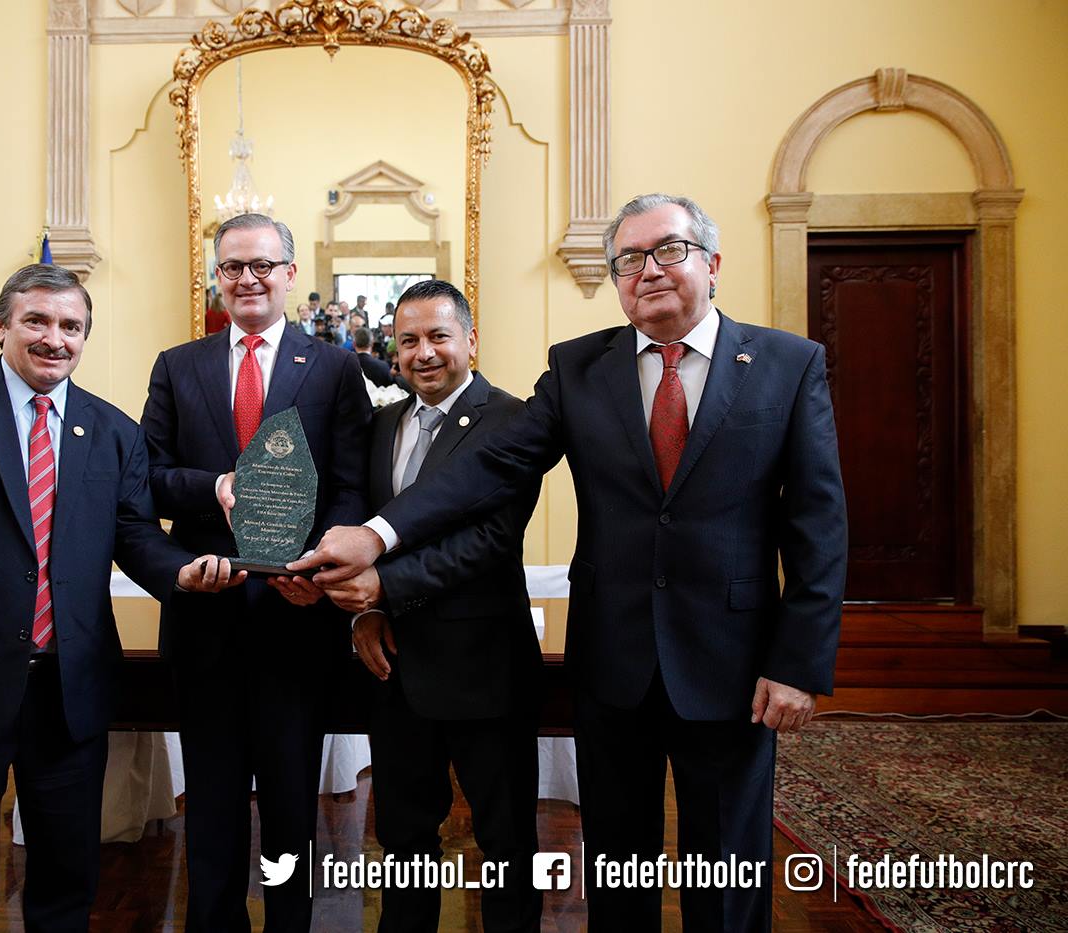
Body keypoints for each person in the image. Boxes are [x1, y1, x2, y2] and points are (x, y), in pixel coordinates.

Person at [293, 193, 848, 932]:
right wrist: (380, 533)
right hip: (613, 659)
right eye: (628, 259)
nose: (648, 270)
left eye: (669, 251)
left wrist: (800, 661)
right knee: (618, 862)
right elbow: (491, 466)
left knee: (727, 862)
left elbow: (818, 523)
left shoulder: (788, 363)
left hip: (732, 661)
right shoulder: (581, 367)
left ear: (712, 263)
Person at [0, 264, 242, 931]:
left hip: (70, 695)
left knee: (67, 880)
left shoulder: (114, 431)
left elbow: (133, 534)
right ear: (2, 324)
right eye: (37, 320)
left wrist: (180, 573)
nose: (54, 338)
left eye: (71, 326)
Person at [141, 213, 372, 932]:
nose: (248, 278)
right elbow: (145, 477)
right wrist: (213, 486)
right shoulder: (177, 365)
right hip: (205, 615)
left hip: (296, 615)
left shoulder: (334, 367)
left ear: (290, 275)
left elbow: (350, 484)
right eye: (234, 266)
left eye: (263, 265)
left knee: (290, 797)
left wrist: (324, 565)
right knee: (209, 800)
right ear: (218, 274)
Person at [327, 280, 543, 932]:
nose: (423, 353)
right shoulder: (383, 422)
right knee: (403, 842)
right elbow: (367, 531)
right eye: (409, 339)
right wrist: (365, 613)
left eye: (438, 336)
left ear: (470, 340)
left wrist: (385, 590)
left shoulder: (512, 420)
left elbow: (491, 538)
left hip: (486, 670)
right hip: (394, 671)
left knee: (506, 843)